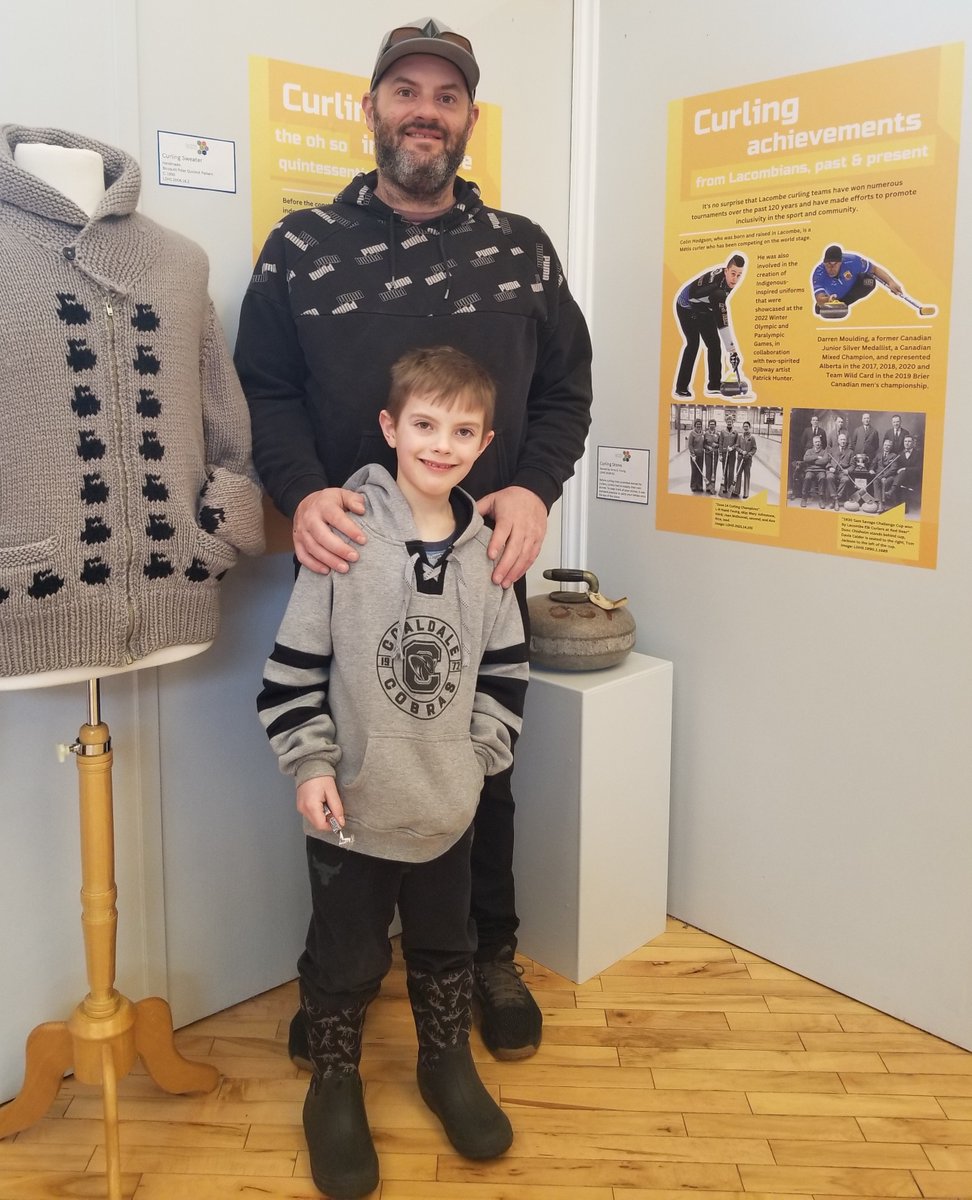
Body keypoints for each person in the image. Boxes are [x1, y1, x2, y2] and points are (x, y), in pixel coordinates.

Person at [236, 17, 593, 1063]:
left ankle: (484, 954)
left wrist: (532, 488)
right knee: (340, 752)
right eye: (406, 92)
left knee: (484, 760)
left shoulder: (522, 248)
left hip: (486, 557)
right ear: (372, 110)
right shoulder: (302, 247)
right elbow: (264, 390)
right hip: (350, 562)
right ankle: (336, 978)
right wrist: (300, 494)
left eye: (446, 97)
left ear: (468, 121)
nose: (424, 111)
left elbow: (568, 390)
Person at [257, 347, 529, 1198]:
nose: (440, 445)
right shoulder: (343, 541)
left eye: (460, 431)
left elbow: (506, 676)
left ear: (483, 444)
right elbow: (289, 677)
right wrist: (309, 764)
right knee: (345, 960)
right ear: (391, 427)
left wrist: (476, 760)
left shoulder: (491, 560)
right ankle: (335, 1082)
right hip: (351, 810)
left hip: (447, 810)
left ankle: (443, 1065)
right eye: (424, 425)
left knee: (446, 950)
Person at [673, 254, 746, 398]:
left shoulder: (727, 282)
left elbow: (718, 314)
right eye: (733, 274)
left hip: (703, 307)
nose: (735, 279)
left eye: (739, 275)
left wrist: (731, 352)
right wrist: (732, 352)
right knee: (693, 344)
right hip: (686, 307)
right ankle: (681, 387)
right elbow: (722, 321)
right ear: (726, 271)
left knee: (713, 344)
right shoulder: (716, 290)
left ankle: (714, 385)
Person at [811, 244, 905, 313]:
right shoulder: (819, 273)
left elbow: (875, 269)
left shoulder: (852, 261)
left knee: (869, 281)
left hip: (852, 288)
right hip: (831, 296)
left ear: (841, 262)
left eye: (834, 264)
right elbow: (819, 297)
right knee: (820, 307)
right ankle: (833, 304)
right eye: (828, 264)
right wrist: (828, 300)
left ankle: (843, 303)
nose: (831, 268)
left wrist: (891, 282)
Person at [894, 434, 923, 514]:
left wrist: (905, 469)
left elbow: (919, 468)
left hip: (914, 477)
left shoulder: (918, 454)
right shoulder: (900, 454)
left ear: (913, 443)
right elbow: (897, 468)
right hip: (902, 479)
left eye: (909, 441)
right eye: (905, 441)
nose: (907, 443)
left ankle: (893, 489)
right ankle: (899, 507)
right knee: (900, 480)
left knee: (901, 477)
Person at [826, 430, 854, 510]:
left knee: (845, 479)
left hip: (843, 472)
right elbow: (827, 461)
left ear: (846, 441)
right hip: (833, 471)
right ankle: (836, 499)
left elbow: (853, 465)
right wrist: (830, 467)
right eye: (841, 440)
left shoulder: (850, 452)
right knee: (829, 477)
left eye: (844, 440)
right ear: (838, 441)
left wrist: (848, 471)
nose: (843, 441)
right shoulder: (832, 450)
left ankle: (835, 499)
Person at [801, 434, 829, 507]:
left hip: (821, 470)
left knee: (823, 478)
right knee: (807, 478)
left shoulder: (824, 451)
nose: (818, 443)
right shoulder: (809, 451)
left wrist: (812, 461)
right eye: (816, 442)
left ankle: (821, 499)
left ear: (821, 442)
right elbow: (805, 459)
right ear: (813, 443)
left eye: (819, 442)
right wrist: (817, 457)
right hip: (810, 470)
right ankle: (804, 498)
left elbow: (825, 461)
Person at [733, 420, 757, 498]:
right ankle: (736, 491)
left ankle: (746, 493)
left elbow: (754, 449)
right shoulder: (740, 437)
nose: (746, 428)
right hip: (740, 459)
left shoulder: (752, 438)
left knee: (747, 475)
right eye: (744, 426)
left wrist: (749, 454)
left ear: (749, 427)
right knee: (738, 475)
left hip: (748, 460)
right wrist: (741, 451)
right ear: (743, 427)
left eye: (747, 426)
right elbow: (736, 446)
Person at [719, 410, 739, 496]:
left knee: (731, 471)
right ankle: (724, 487)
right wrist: (720, 454)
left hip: (732, 455)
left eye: (731, 421)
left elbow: (737, 443)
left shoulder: (736, 432)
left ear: (733, 422)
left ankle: (730, 488)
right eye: (728, 421)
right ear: (726, 422)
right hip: (724, 454)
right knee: (724, 471)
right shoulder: (723, 432)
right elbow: (720, 442)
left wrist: (732, 448)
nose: (729, 422)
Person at [687, 416, 705, 492]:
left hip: (701, 454)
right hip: (694, 456)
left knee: (700, 470)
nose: (698, 426)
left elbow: (704, 443)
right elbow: (690, 445)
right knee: (694, 470)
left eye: (700, 424)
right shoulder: (692, 433)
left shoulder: (702, 433)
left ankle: (700, 485)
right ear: (695, 425)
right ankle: (693, 485)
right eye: (697, 424)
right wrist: (693, 454)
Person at [703, 418, 720, 494]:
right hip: (708, 454)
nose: (712, 425)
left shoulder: (718, 434)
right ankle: (708, 487)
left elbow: (720, 444)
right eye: (710, 424)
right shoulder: (706, 434)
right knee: (708, 470)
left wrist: (717, 445)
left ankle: (713, 487)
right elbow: (703, 444)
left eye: (713, 424)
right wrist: (708, 447)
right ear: (708, 425)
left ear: (715, 425)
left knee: (714, 470)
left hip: (715, 454)